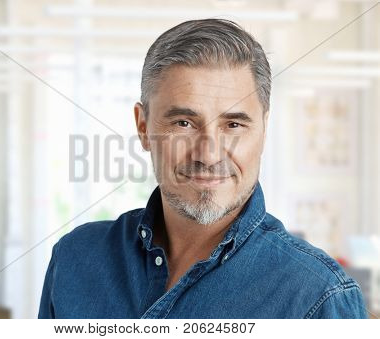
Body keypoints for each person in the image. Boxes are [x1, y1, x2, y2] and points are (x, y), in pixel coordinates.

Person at [38, 19, 368, 319]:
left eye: (234, 124)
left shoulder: (319, 296)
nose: (208, 155)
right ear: (143, 127)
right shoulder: (76, 259)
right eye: (184, 123)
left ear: (263, 130)